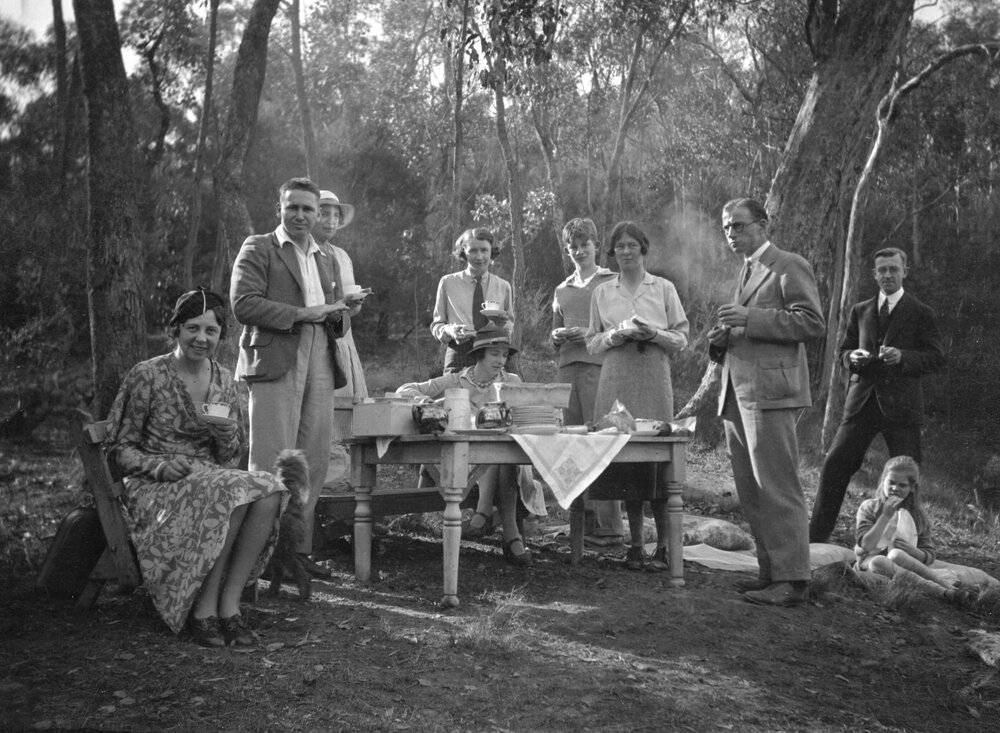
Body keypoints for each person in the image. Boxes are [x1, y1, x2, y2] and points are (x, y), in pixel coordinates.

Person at [105, 289, 287, 647]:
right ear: (176, 328)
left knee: (270, 489)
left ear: (221, 336)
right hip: (154, 487)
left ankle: (229, 605)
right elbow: (119, 451)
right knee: (230, 491)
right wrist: (158, 466)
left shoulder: (223, 380)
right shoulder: (147, 376)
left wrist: (228, 433)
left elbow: (230, 460)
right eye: (192, 328)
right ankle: (203, 610)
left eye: (211, 331)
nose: (201, 339)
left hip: (207, 480)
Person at [230, 177, 350, 580]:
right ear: (279, 208)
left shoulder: (325, 257)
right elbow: (243, 304)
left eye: (308, 209)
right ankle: (256, 561)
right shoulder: (259, 246)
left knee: (311, 462)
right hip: (276, 359)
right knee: (270, 463)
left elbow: (335, 321)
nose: (300, 215)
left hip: (320, 356)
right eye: (292, 207)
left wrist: (343, 311)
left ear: (318, 214)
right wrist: (303, 314)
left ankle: (296, 553)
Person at [708, 198, 825, 606]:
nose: (731, 235)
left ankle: (793, 581)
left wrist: (749, 320)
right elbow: (746, 327)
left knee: (777, 486)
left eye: (738, 226)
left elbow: (811, 322)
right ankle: (770, 571)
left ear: (762, 225)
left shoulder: (788, 265)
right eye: (726, 229)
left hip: (771, 394)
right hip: (737, 393)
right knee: (751, 489)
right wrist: (723, 338)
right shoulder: (746, 271)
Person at [809, 248, 944, 543]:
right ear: (874, 274)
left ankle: (915, 543)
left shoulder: (921, 313)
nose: (887, 275)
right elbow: (843, 351)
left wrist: (903, 357)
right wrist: (851, 358)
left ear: (904, 271)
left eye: (893, 269)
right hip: (861, 403)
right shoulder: (861, 310)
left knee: (909, 479)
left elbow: (936, 357)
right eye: (881, 270)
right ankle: (815, 539)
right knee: (834, 465)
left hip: (902, 409)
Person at [395, 323, 545, 566]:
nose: (500, 361)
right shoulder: (457, 380)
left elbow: (529, 413)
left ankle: (493, 521)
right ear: (479, 355)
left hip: (504, 459)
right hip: (462, 459)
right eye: (494, 354)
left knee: (503, 456)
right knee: (498, 456)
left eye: (505, 355)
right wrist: (424, 400)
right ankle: (504, 530)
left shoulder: (512, 381)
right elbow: (405, 389)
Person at [586, 221, 689, 572]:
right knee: (626, 458)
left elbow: (681, 336)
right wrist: (613, 335)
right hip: (616, 376)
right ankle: (635, 545)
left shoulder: (662, 288)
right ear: (612, 253)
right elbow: (592, 341)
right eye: (619, 247)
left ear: (643, 248)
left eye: (632, 245)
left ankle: (663, 547)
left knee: (656, 458)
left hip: (653, 374)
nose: (625, 252)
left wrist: (654, 333)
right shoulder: (602, 292)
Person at [552, 217, 624, 547]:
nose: (579, 252)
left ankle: (610, 527)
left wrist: (590, 334)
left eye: (585, 245)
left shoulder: (611, 282)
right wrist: (556, 336)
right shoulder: (562, 289)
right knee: (573, 445)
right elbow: (554, 333)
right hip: (568, 370)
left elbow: (622, 328)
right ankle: (582, 525)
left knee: (601, 442)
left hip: (600, 368)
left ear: (596, 245)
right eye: (573, 247)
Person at [855, 455, 965, 603]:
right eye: (891, 483)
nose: (895, 488)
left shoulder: (917, 515)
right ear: (883, 481)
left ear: (912, 488)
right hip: (870, 561)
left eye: (902, 485)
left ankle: (947, 586)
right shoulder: (869, 507)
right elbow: (866, 546)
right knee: (879, 562)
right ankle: (941, 590)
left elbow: (929, 554)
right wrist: (885, 517)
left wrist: (913, 551)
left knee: (895, 554)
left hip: (903, 562)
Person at [430, 228, 513, 374]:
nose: (479, 256)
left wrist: (502, 326)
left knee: (493, 397)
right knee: (457, 396)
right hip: (459, 353)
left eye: (484, 250)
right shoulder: (448, 283)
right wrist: (451, 331)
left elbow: (509, 324)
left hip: (492, 351)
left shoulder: (503, 286)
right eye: (473, 251)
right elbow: (437, 324)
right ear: (464, 252)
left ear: (491, 251)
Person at [314, 189, 369, 399]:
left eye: (336, 216)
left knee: (348, 408)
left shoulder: (342, 256)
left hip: (343, 338)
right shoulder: (303, 252)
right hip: (317, 339)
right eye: (324, 214)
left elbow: (349, 302)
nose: (331, 221)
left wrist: (355, 305)